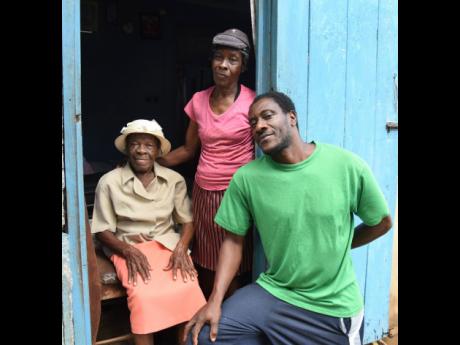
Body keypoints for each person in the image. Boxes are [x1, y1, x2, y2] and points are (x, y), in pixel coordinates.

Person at [183, 91, 393, 345]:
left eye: (267, 116)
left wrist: (340, 243)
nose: (259, 125)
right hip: (275, 292)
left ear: (291, 117)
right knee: (205, 337)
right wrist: (214, 301)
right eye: (253, 122)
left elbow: (381, 222)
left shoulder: (345, 165)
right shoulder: (247, 178)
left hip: (331, 306)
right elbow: (233, 241)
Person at [157, 28, 256, 299]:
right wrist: (149, 162)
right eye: (219, 58)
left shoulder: (253, 102)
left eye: (232, 59)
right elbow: (188, 150)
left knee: (236, 260)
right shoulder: (199, 101)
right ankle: (206, 312)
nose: (223, 65)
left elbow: (265, 151)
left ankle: (227, 319)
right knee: (207, 258)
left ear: (243, 66)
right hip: (203, 192)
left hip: (238, 192)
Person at [91, 119, 206, 345]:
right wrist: (127, 250)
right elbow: (102, 230)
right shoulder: (109, 182)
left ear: (157, 151)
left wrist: (182, 246)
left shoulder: (174, 180)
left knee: (188, 288)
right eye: (135, 144)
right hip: (127, 246)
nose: (141, 150)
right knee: (143, 297)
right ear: (127, 149)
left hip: (167, 244)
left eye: (148, 145)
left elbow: (187, 221)